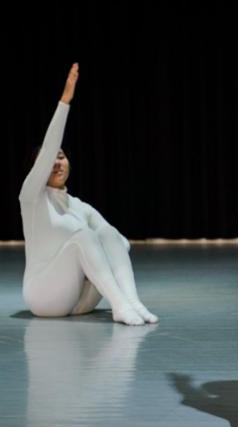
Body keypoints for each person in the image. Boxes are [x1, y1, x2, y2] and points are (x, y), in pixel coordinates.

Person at [19, 63, 158, 326]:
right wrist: (65, 101)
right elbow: (49, 148)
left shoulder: (79, 206)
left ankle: (132, 301)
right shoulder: (31, 198)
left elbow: (121, 243)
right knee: (84, 237)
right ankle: (120, 306)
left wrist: (93, 265)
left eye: (61, 157)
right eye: (49, 160)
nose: (56, 162)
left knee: (106, 234)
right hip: (42, 297)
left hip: (77, 301)